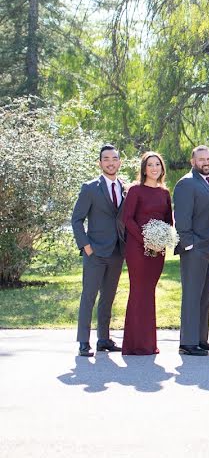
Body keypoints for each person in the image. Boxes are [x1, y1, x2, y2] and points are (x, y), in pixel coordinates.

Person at [71, 144, 127, 357]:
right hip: (94, 251)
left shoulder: (124, 187)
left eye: (114, 159)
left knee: (108, 297)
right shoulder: (90, 188)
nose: (111, 162)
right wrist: (86, 246)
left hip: (116, 252)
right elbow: (77, 219)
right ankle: (84, 342)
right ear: (100, 163)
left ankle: (103, 339)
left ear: (119, 162)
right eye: (106, 159)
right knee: (89, 296)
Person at [173, 145, 209, 356]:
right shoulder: (186, 183)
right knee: (192, 296)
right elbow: (182, 218)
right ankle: (188, 342)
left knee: (205, 296)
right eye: (201, 159)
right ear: (192, 161)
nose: (206, 162)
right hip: (195, 249)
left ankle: (201, 339)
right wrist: (190, 244)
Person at [121, 152, 172, 355]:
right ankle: (134, 344)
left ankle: (148, 343)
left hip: (158, 249)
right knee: (138, 291)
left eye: (157, 164)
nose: (154, 168)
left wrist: (161, 241)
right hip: (137, 248)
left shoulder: (165, 193)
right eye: (150, 164)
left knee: (149, 292)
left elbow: (169, 221)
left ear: (161, 168)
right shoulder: (135, 190)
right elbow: (128, 219)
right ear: (143, 169)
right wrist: (146, 240)